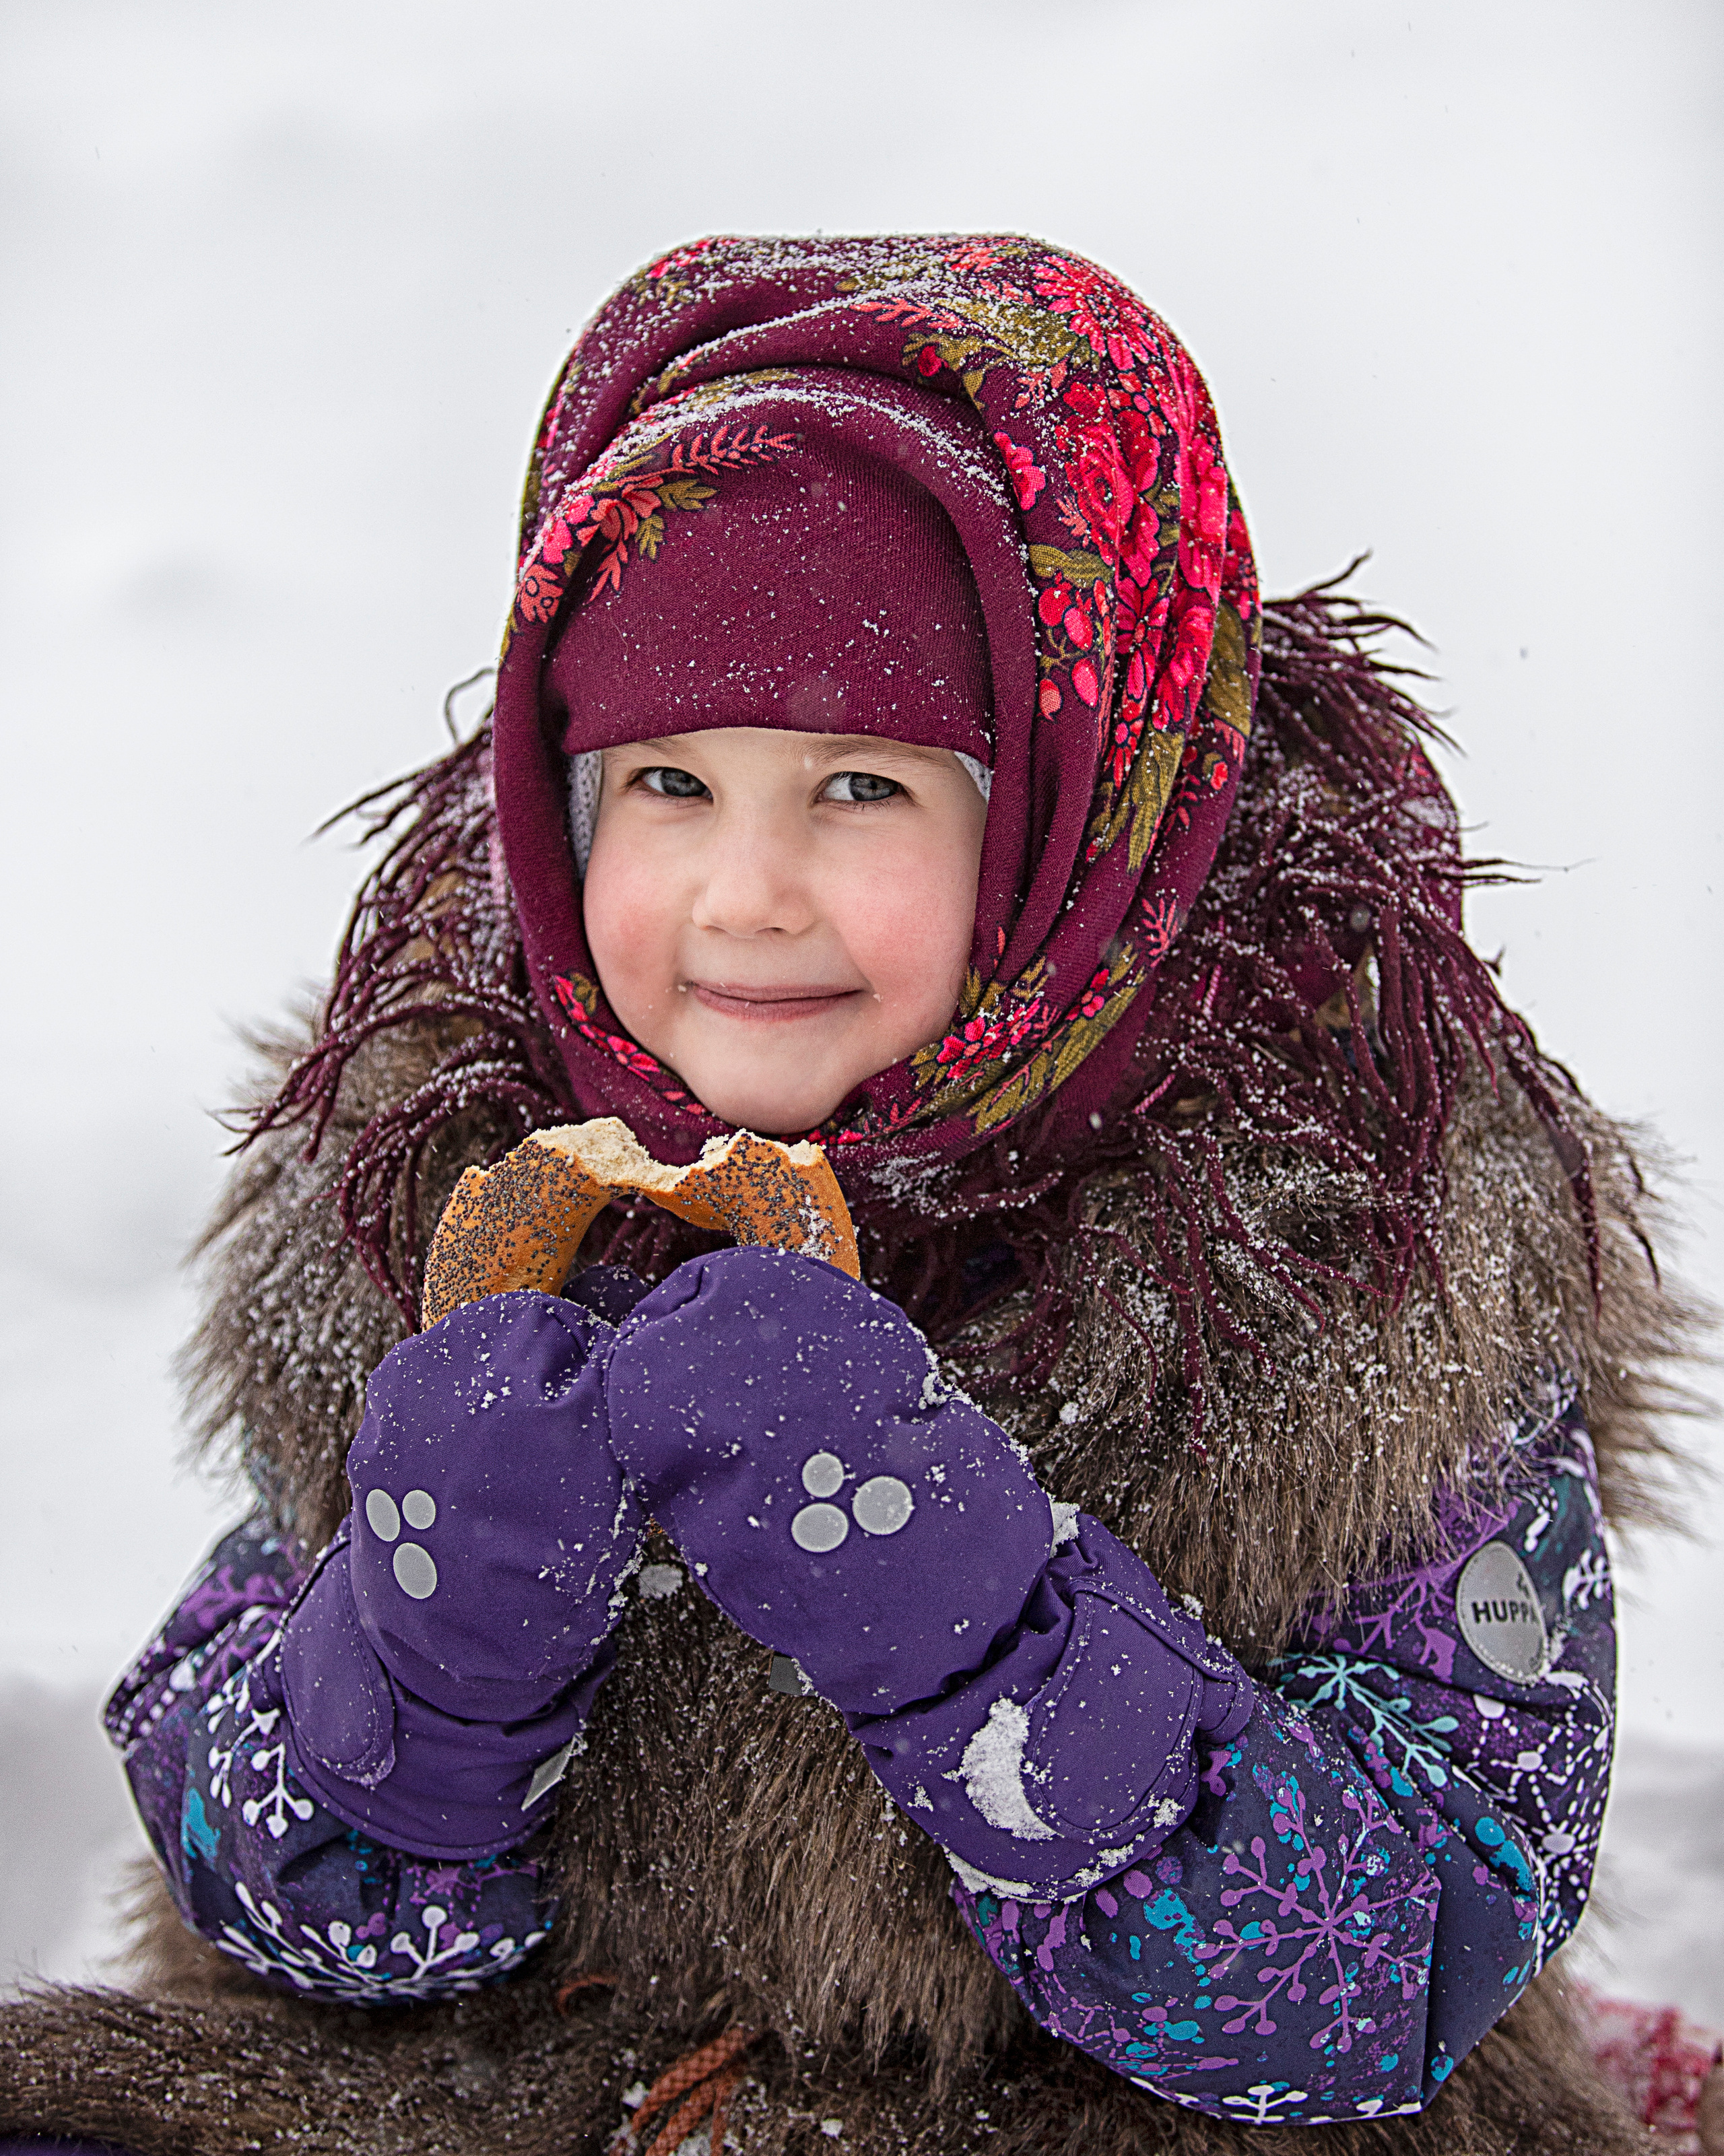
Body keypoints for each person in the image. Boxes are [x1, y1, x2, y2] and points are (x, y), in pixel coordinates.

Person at [0, 234, 1707, 2155]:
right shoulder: (445, 1176)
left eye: (865, 789)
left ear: (1085, 789)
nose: (748, 893)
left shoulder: (1355, 1234)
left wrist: (975, 1618)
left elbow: (1402, 1961)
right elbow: (253, 1894)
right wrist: (420, 1663)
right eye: (666, 787)